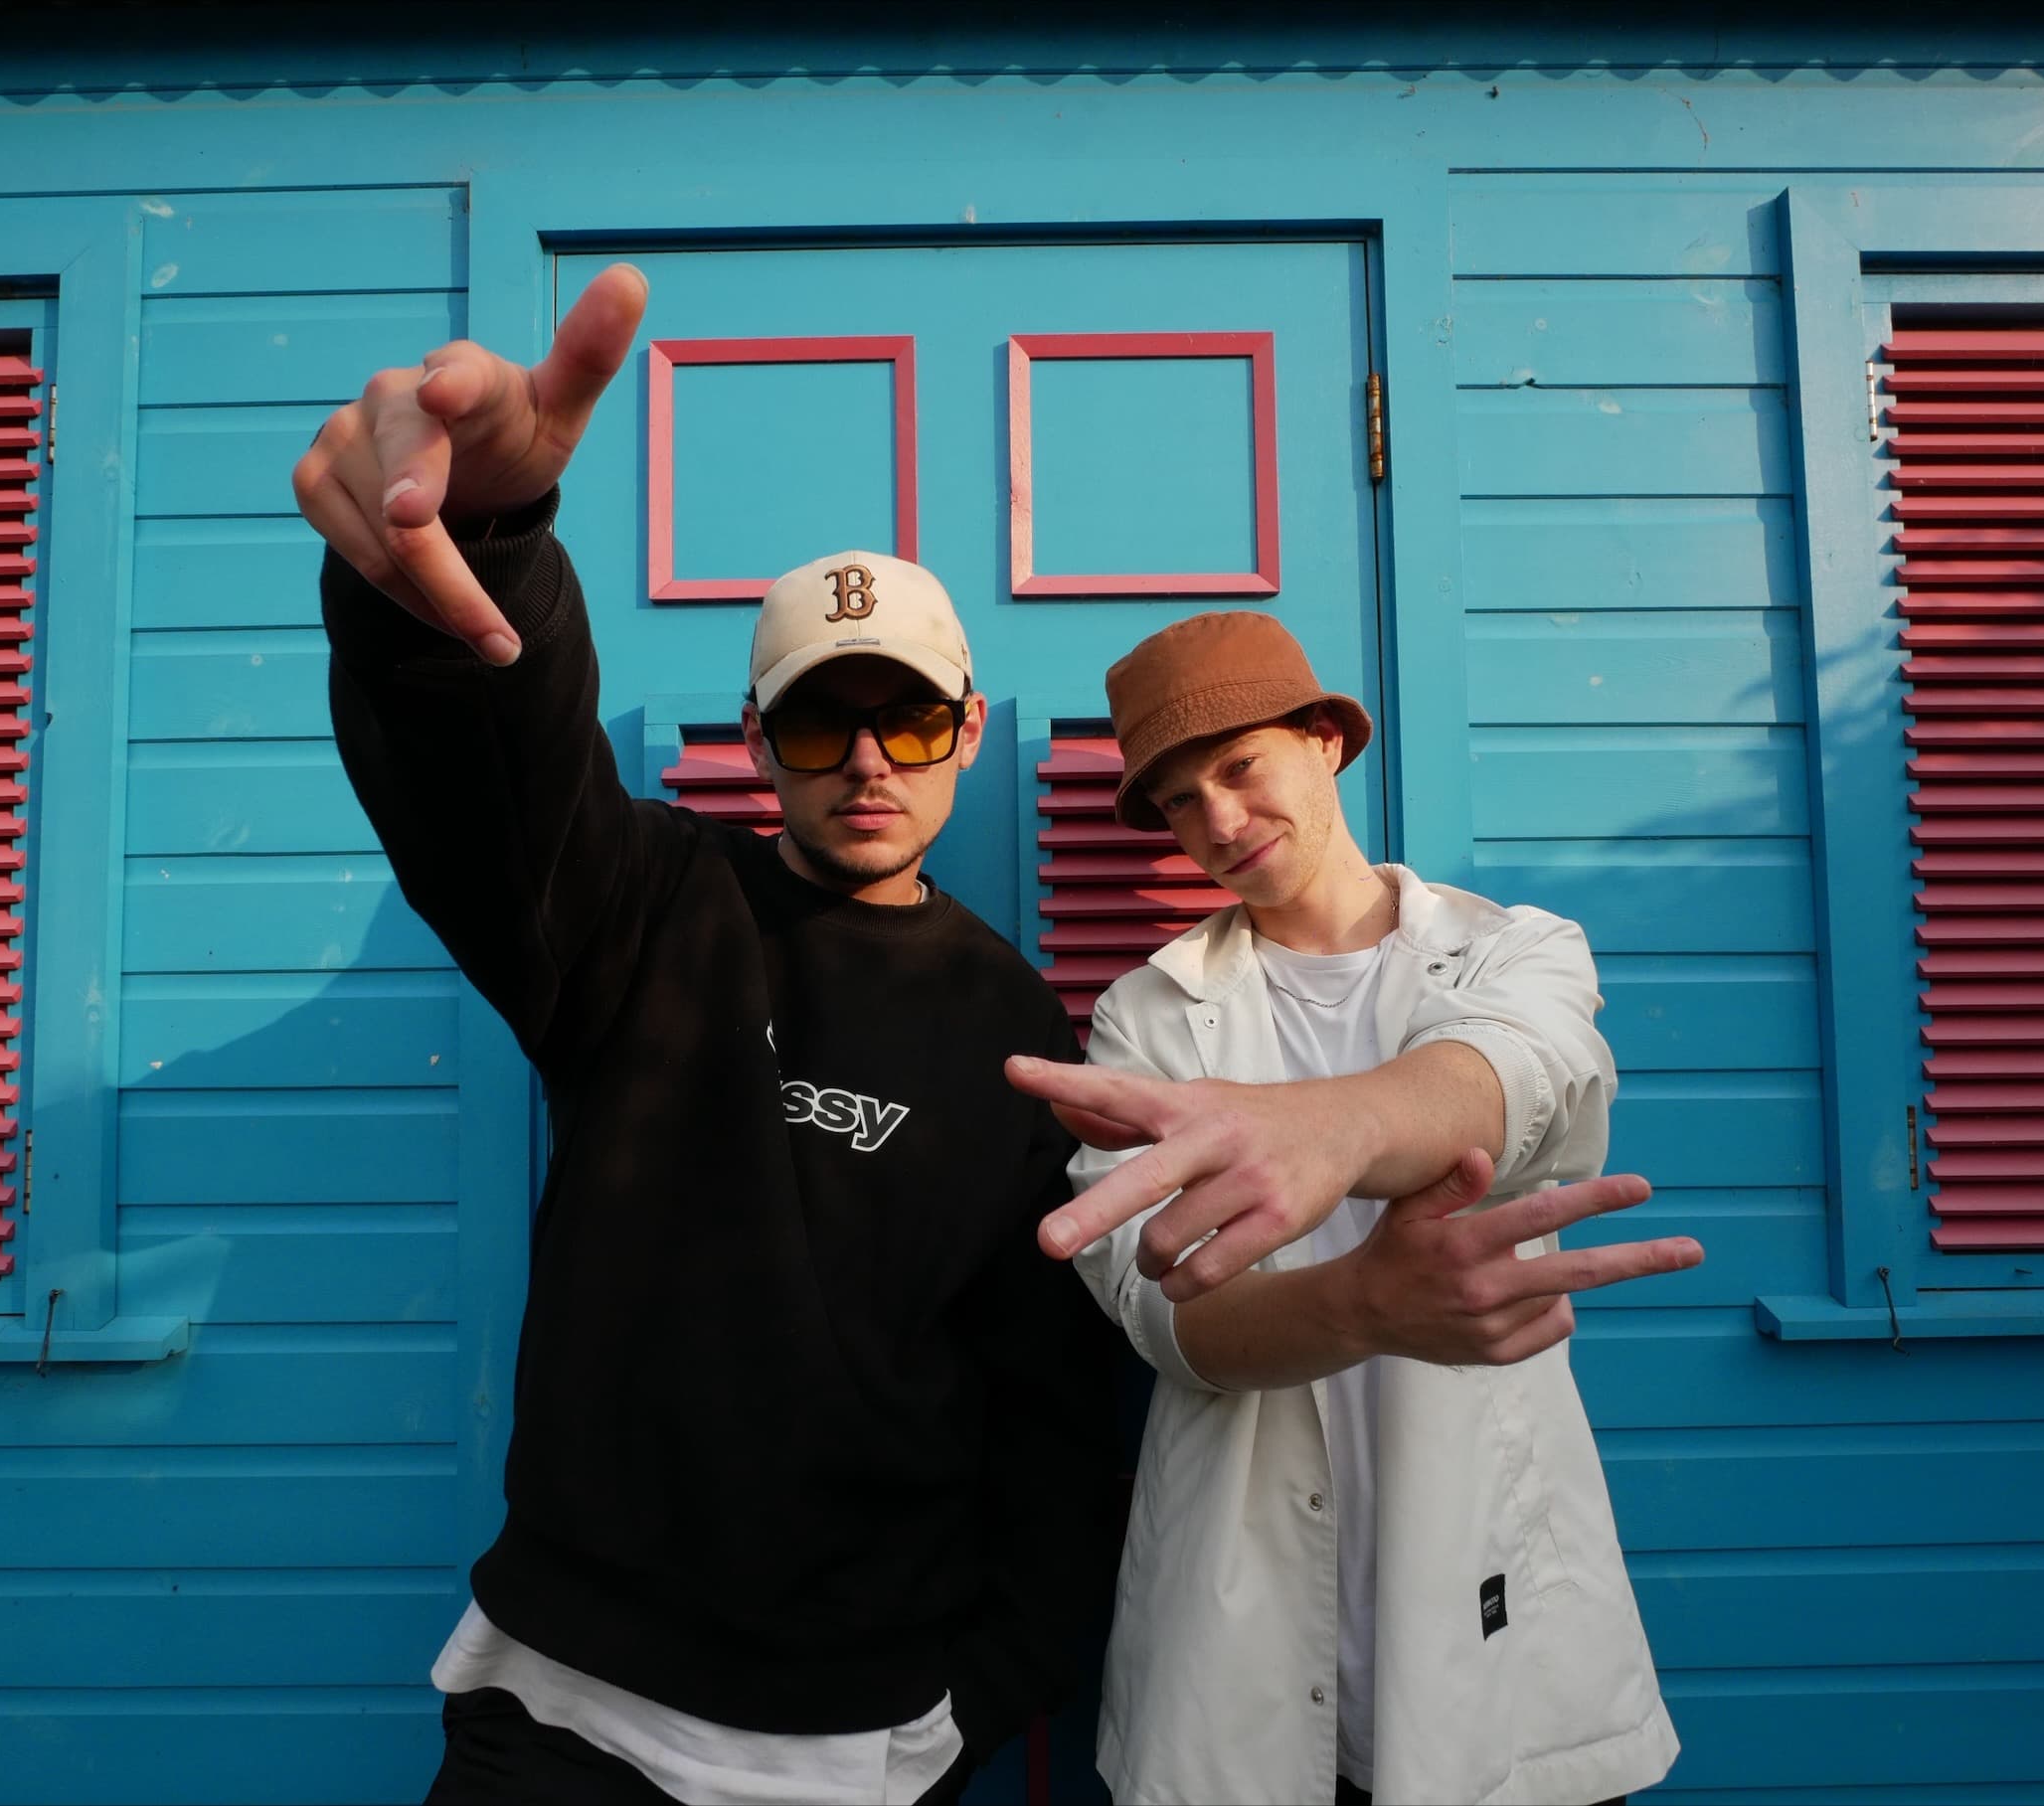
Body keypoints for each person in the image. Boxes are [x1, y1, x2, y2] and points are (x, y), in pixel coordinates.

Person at [293, 262, 1119, 1806]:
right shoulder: (646, 905)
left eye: (910, 719)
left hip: (857, 1745)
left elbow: (1057, 1408)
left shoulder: (1016, 1019)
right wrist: (479, 547)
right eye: (819, 722)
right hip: (556, 1710)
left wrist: (983, 1697)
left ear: (973, 728)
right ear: (756, 744)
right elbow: (493, 776)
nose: (867, 763)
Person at [1005, 610, 1702, 1806]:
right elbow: (1166, 1325)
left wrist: (1328, 1130)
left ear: (1324, 740)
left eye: (1237, 764)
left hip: (1497, 1618)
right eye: (1175, 798)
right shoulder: (1145, 1017)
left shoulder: (1509, 948)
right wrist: (1361, 1304)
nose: (1215, 820)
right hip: (1235, 1640)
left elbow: (1518, 1075)